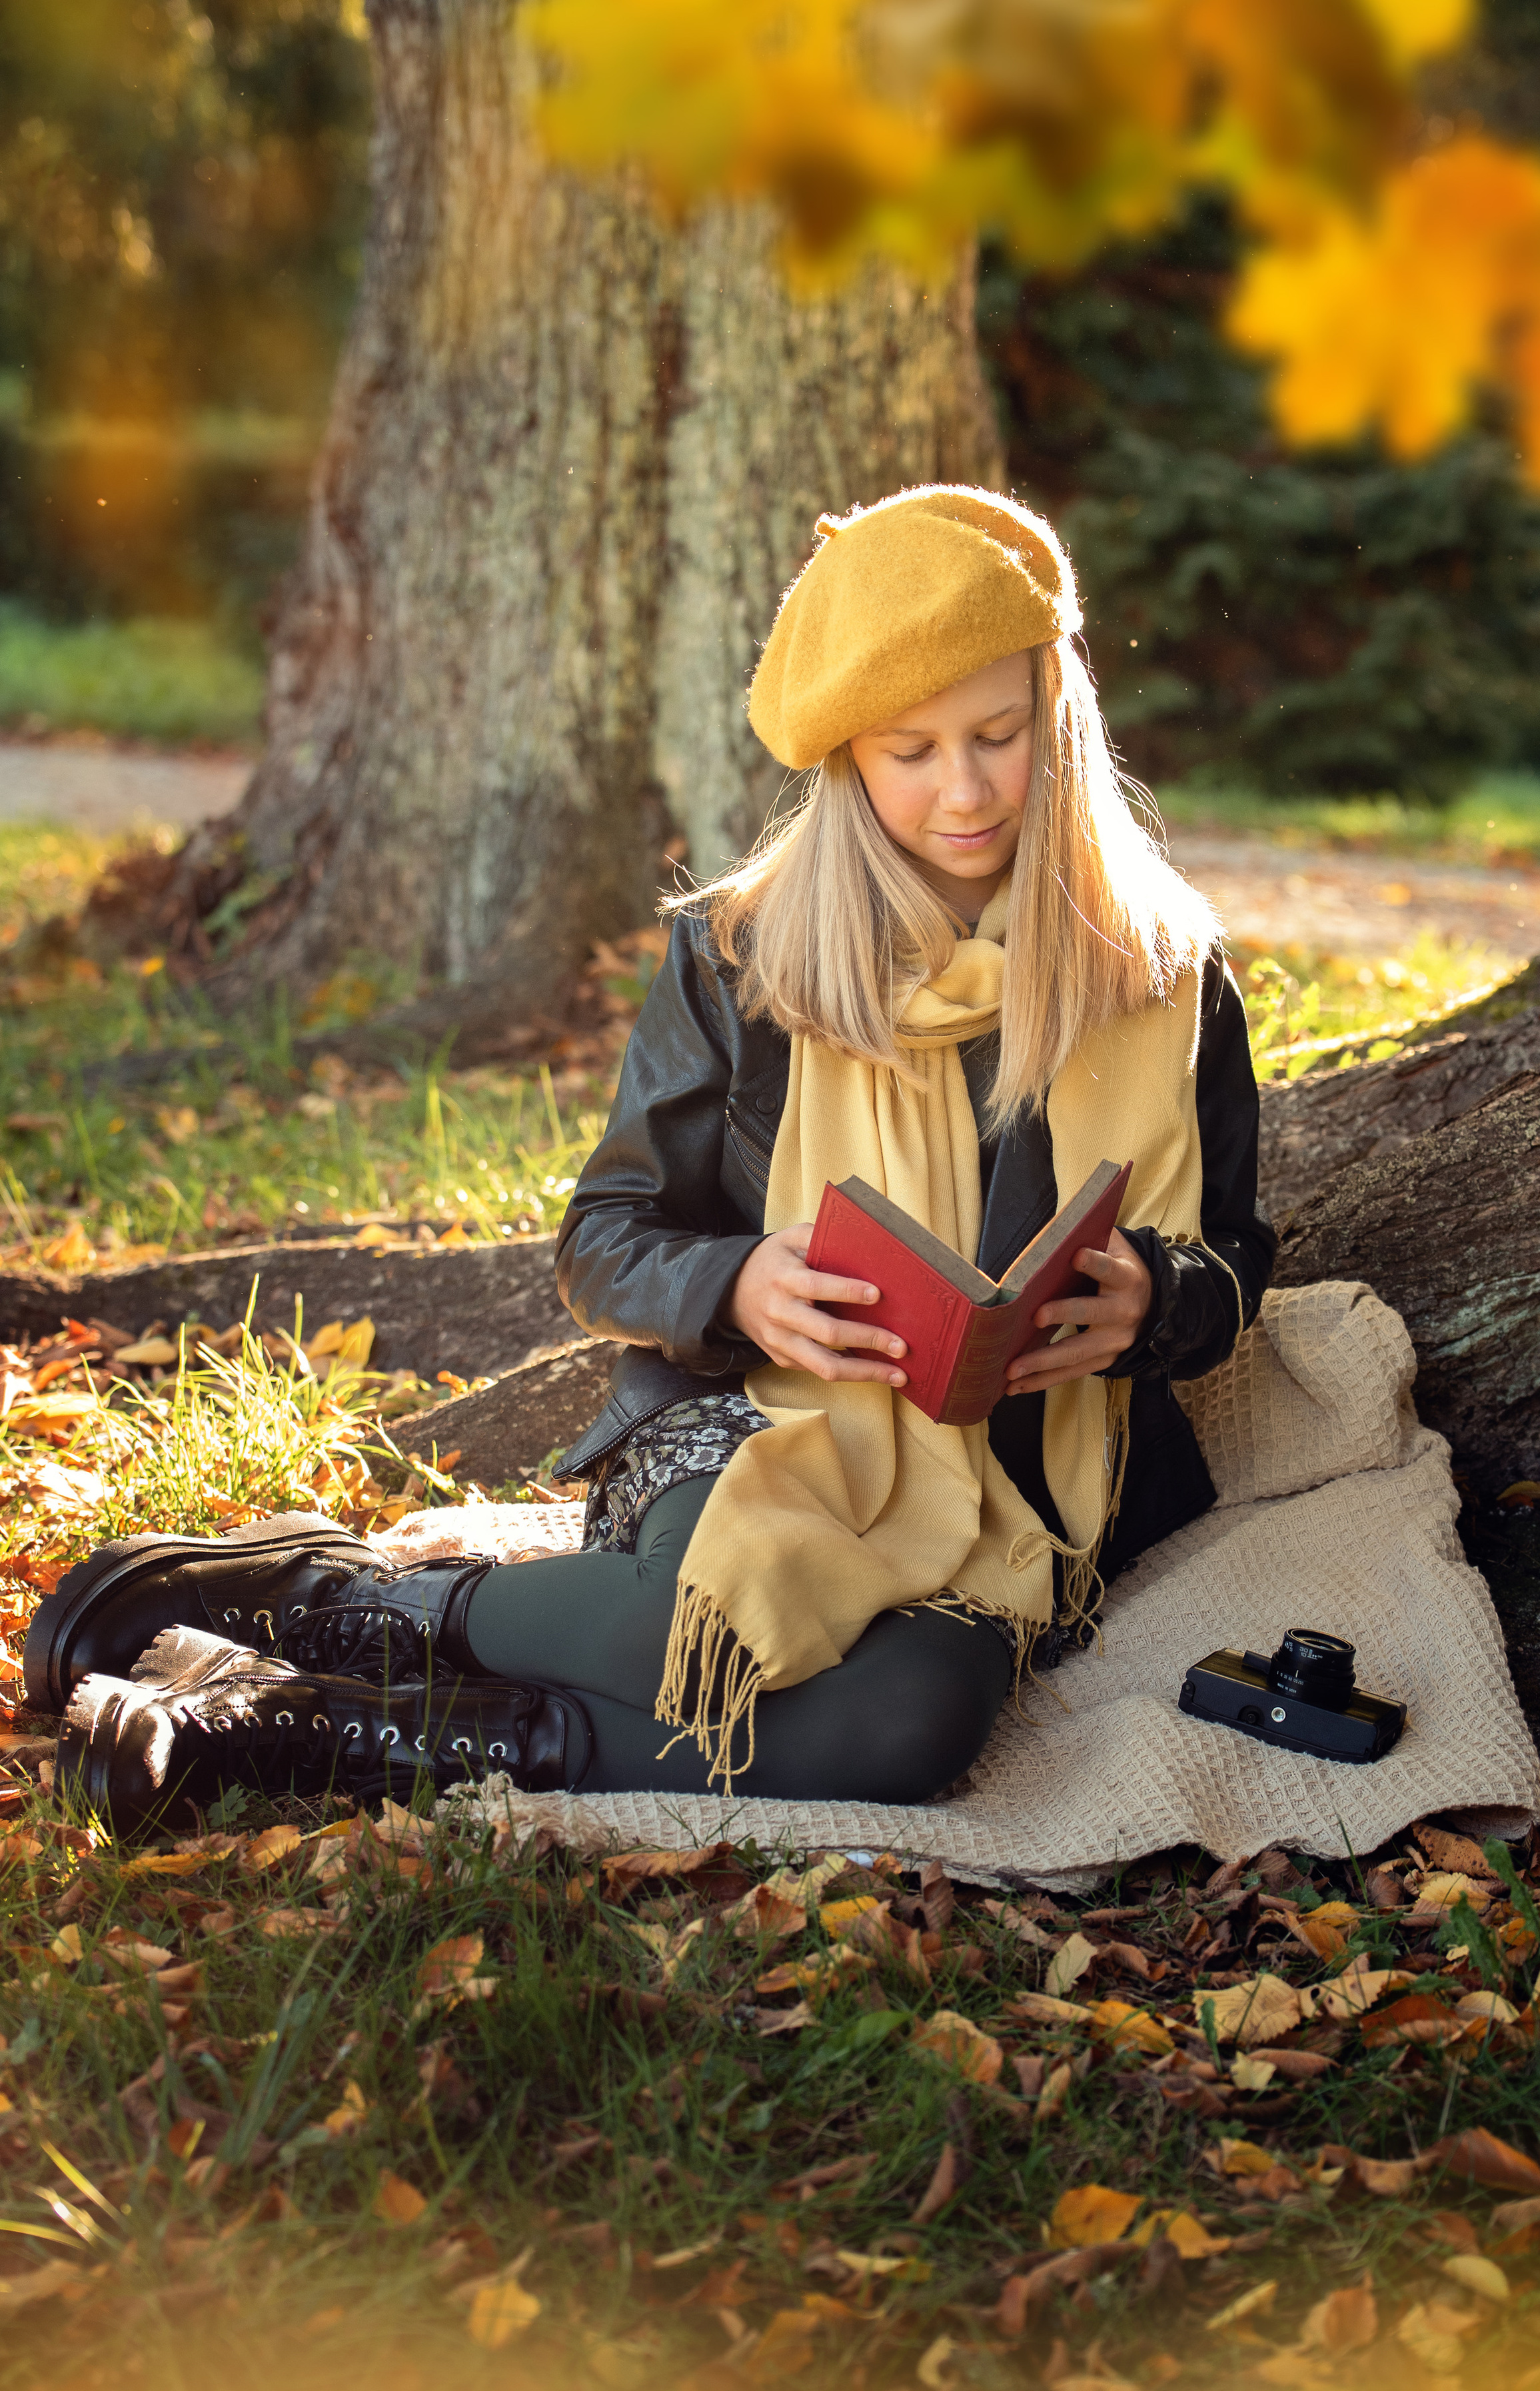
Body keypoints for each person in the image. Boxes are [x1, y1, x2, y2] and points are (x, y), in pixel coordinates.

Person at [29, 486, 1272, 1835]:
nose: (961, 789)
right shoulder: (743, 951)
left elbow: (1233, 1261)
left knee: (905, 1723)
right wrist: (739, 1289)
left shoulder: (1159, 973)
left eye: (996, 735)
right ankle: (330, 1609)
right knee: (690, 1622)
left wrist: (1159, 1299)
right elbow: (603, 1242)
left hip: (1013, 1489)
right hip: (748, 1424)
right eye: (908, 750)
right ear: (846, 759)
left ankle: (318, 1726)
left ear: (1058, 721)